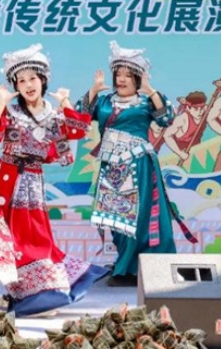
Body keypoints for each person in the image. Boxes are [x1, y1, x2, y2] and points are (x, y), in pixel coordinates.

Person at [0, 44, 108, 317]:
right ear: (15, 86)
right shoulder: (12, 113)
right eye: (21, 81)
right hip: (5, 180)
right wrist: (1, 101)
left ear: (43, 80)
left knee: (33, 236)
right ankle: (23, 294)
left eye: (32, 78)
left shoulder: (53, 115)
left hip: (31, 181)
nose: (28, 85)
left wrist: (66, 102)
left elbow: (77, 130)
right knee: (9, 239)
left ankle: (46, 292)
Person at [77, 41, 195, 286]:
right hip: (112, 168)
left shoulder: (146, 101)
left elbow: (166, 119)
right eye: (118, 74)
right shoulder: (104, 101)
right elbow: (80, 117)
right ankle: (125, 262)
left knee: (139, 217)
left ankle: (142, 268)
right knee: (116, 218)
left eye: (128, 75)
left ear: (138, 78)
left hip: (139, 166)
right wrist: (94, 89)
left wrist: (151, 90)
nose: (122, 79)